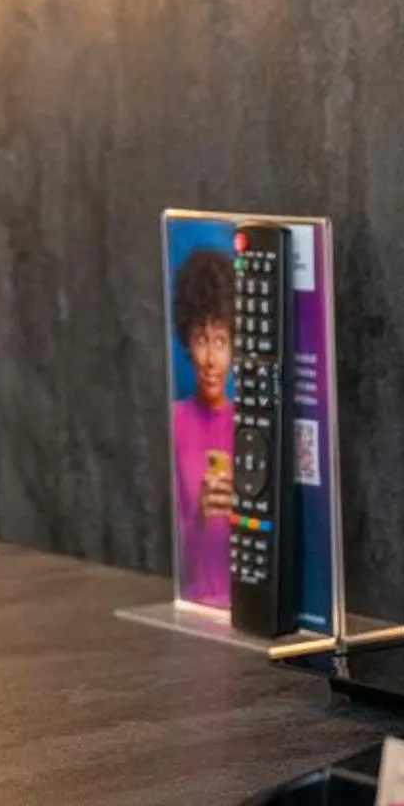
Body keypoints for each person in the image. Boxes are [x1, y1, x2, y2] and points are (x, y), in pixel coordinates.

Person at [169, 246, 235, 606]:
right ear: (187, 342)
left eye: (221, 341)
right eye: (201, 340)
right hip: (192, 605)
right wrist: (198, 517)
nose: (210, 358)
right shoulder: (174, 423)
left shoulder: (250, 426)